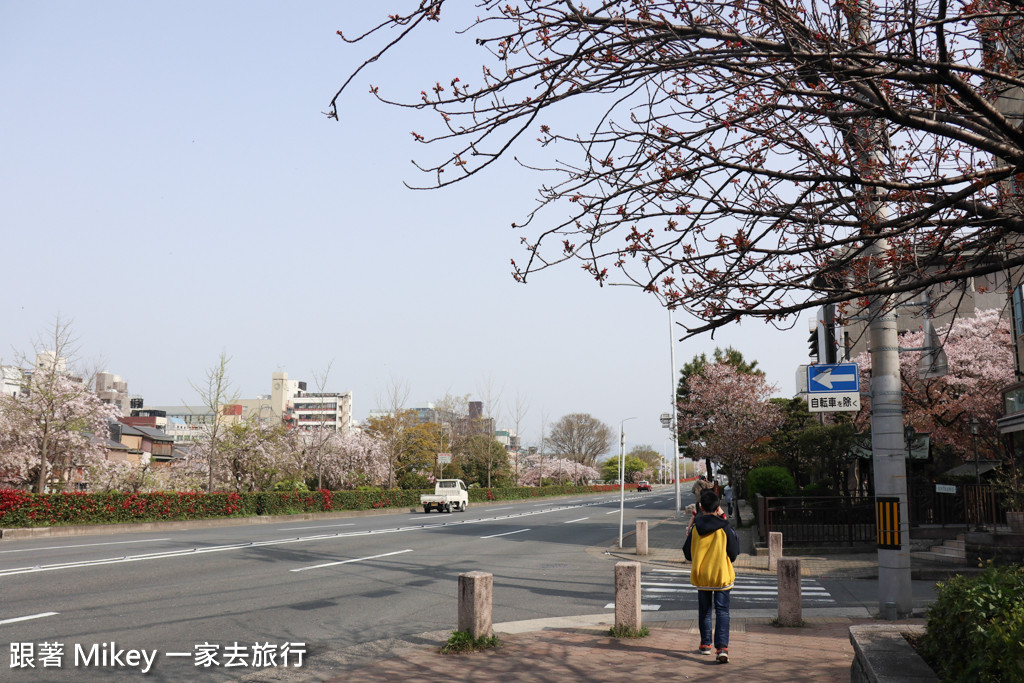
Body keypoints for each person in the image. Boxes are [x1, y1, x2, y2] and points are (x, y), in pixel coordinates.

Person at [683, 489, 738, 664]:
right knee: (722, 611)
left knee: (705, 610)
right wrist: (724, 518)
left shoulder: (695, 528)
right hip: (721, 574)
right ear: (718, 508)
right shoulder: (725, 528)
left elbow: (688, 554)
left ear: (700, 507)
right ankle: (722, 648)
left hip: (703, 576)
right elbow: (734, 552)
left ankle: (705, 644)